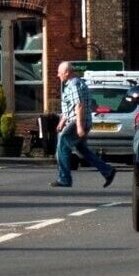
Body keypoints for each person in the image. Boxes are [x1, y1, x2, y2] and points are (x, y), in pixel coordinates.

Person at [53, 60, 116, 188]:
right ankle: (107, 171)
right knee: (83, 150)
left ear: (66, 73)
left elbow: (79, 105)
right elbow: (70, 107)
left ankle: (64, 179)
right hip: (78, 121)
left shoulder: (73, 84)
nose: (58, 75)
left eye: (59, 73)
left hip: (77, 122)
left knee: (62, 146)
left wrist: (79, 127)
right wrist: (62, 122)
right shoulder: (76, 83)